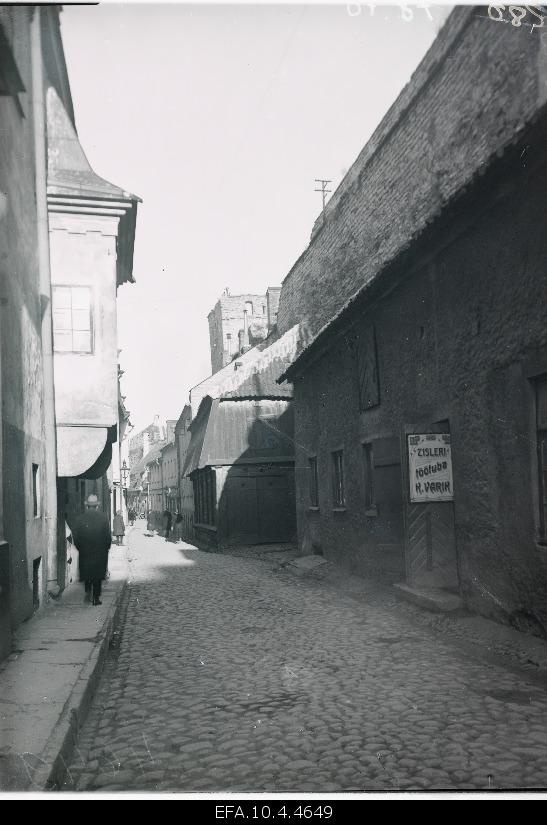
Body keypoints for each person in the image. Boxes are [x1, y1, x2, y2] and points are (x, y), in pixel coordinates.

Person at [72, 494, 111, 606]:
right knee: (97, 576)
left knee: (87, 573)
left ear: (87, 506)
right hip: (100, 553)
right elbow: (107, 537)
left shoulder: (80, 519)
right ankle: (96, 598)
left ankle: (88, 593)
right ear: (97, 506)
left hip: (85, 552)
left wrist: (81, 548)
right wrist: (106, 548)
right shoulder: (103, 518)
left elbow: (76, 537)